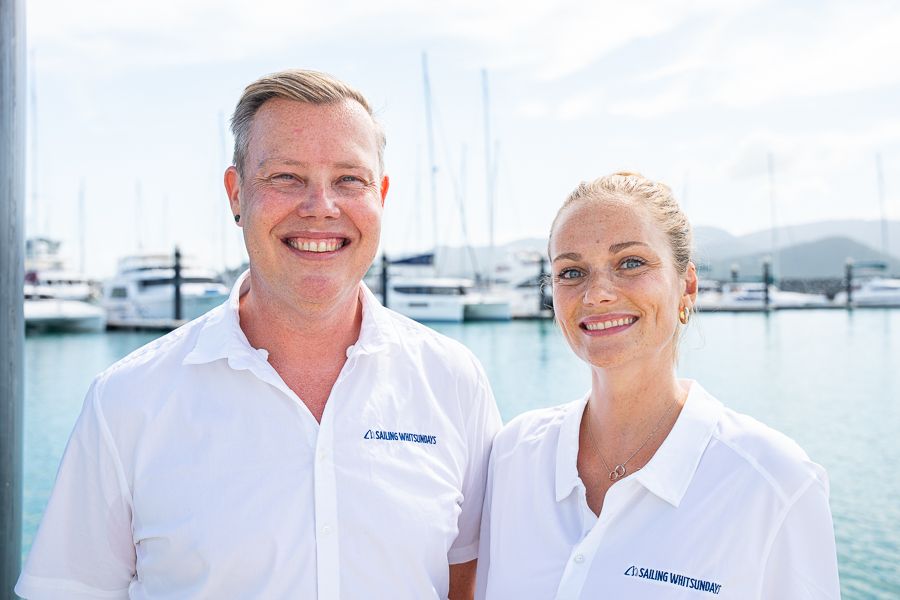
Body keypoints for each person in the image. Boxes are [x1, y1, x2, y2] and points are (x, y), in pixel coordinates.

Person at [17, 70, 501, 600]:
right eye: (286, 177)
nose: (321, 206)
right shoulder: (126, 401)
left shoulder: (453, 381)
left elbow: (470, 580)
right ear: (236, 194)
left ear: (381, 195)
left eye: (350, 180)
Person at [475, 172, 840, 599]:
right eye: (571, 271)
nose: (597, 294)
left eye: (630, 263)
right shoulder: (514, 456)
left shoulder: (774, 482)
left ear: (686, 286)